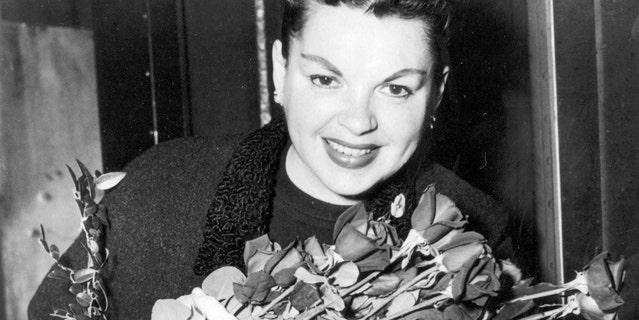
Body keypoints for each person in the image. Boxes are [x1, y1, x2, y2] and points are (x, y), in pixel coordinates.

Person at [28, 1, 515, 319]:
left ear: (436, 94)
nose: (358, 120)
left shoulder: (475, 233)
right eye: (326, 79)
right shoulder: (160, 187)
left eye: (395, 88)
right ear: (281, 71)